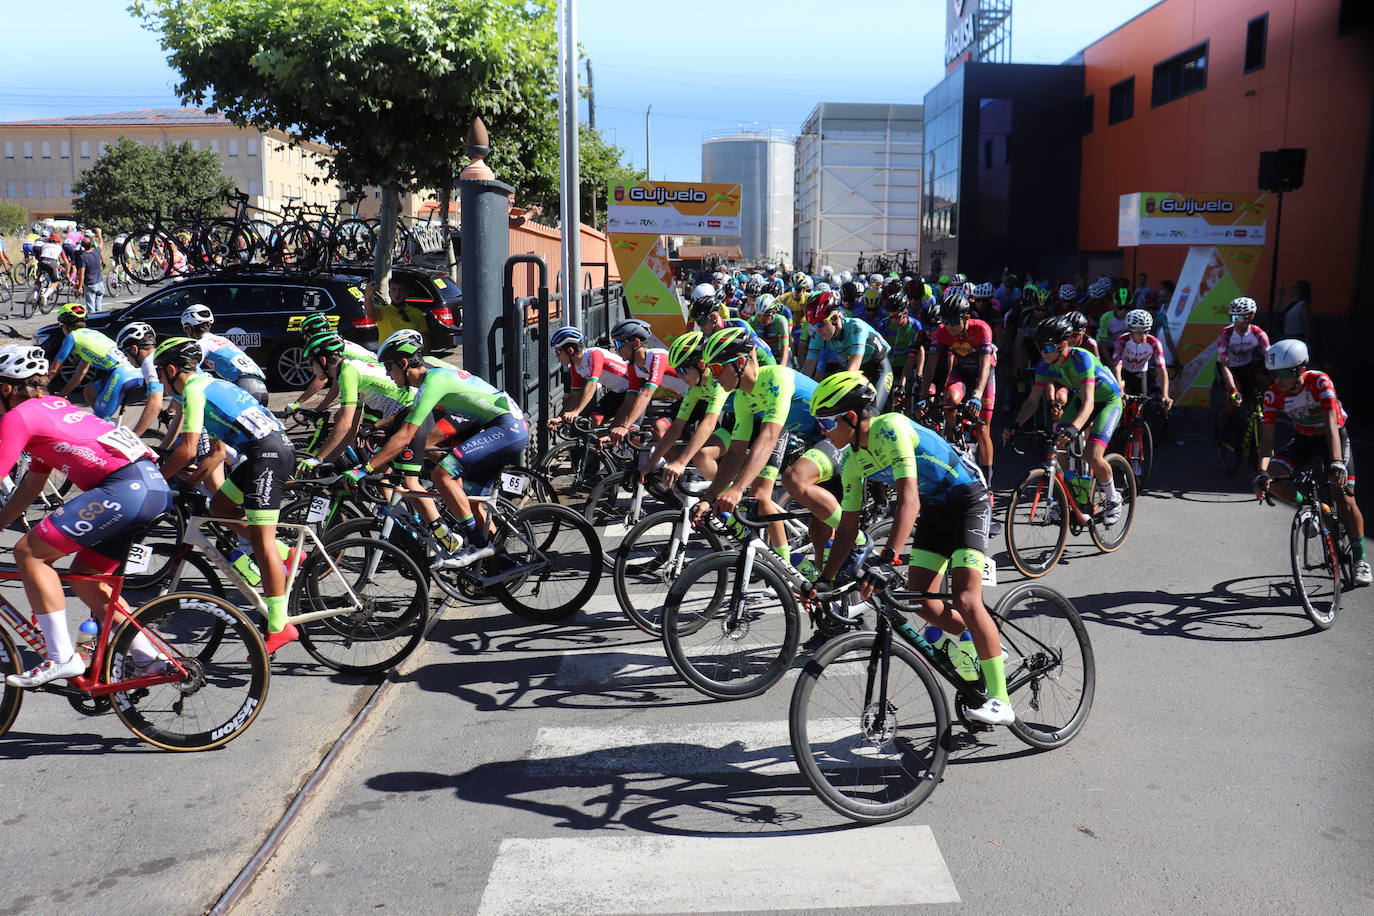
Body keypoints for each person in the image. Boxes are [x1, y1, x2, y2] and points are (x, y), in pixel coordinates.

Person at [806, 370, 1013, 725]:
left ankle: (1001, 700)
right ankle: (977, 640)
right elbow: (848, 527)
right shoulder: (853, 461)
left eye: (827, 421)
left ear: (852, 417)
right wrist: (825, 580)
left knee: (965, 598)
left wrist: (887, 559)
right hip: (937, 509)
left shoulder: (892, 428)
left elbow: (908, 500)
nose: (822, 431)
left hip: (969, 501)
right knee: (923, 603)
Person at [0, 345, 172, 688]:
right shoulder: (56, 408)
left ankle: (62, 656)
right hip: (151, 486)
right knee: (84, 577)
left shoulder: (18, 416)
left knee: (29, 553)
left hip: (124, 488)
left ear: (6, 388)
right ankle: (150, 659)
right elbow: (31, 486)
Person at [155, 337, 299, 653]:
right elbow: (217, 452)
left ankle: (279, 624)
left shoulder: (193, 391)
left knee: (261, 542)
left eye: (160, 376)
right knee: (219, 506)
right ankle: (286, 553)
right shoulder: (211, 384)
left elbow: (188, 449)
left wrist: (155, 479)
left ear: (170, 369)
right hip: (264, 451)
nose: (162, 385)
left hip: (267, 455)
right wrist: (191, 479)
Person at [357, 332, 529, 569]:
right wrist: (377, 427)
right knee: (473, 502)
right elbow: (409, 413)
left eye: (389, 366)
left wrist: (365, 468)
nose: (387, 374)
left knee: (441, 474)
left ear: (404, 364)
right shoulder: (429, 382)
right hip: (501, 426)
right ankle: (502, 563)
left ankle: (478, 546)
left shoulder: (434, 381)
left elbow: (406, 434)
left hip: (505, 427)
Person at [691, 325, 819, 555]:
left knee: (762, 496)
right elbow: (736, 452)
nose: (714, 376)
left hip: (830, 438)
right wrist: (710, 497)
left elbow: (769, 435)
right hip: (802, 438)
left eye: (718, 368)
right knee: (761, 498)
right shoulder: (742, 397)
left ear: (740, 363)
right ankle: (786, 569)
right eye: (710, 368)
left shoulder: (775, 377)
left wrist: (738, 489)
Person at [1254, 339, 1369, 586]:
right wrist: (1262, 472)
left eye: (1283, 374)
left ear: (1300, 370)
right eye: (1273, 374)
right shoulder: (1274, 394)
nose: (1277, 380)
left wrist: (1336, 462)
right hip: (1304, 439)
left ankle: (1361, 558)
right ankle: (1313, 510)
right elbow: (1268, 437)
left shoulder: (1320, 382)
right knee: (1272, 480)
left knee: (1344, 496)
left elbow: (1330, 424)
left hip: (1333, 436)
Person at [1005, 316, 1126, 524]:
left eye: (1047, 347)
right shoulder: (1045, 364)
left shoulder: (1082, 359)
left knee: (1093, 454)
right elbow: (1033, 400)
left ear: (1062, 345)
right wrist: (1015, 425)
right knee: (1058, 445)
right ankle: (1072, 498)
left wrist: (1074, 428)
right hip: (1082, 401)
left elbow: (1089, 402)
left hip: (1107, 401)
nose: (1042, 352)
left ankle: (1114, 499)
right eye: (1039, 347)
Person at [920, 288, 996, 487]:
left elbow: (985, 366)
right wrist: (922, 396)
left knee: (982, 429)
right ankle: (953, 438)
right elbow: (931, 365)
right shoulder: (941, 331)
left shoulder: (981, 329)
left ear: (966, 318)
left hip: (983, 374)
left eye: (955, 321)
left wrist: (977, 395)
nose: (950, 327)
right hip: (961, 371)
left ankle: (987, 483)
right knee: (950, 400)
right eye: (947, 321)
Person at [643, 331, 731, 486]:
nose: (680, 377)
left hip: (756, 420)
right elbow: (676, 426)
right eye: (677, 371)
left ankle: (730, 497)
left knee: (703, 456)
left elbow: (709, 423)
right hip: (733, 420)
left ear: (701, 365)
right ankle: (722, 498)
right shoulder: (694, 389)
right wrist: (650, 464)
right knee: (702, 456)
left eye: (683, 370)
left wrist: (681, 462)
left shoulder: (717, 380)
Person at [48, 303, 147, 421]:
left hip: (120, 374)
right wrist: (62, 395)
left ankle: (105, 424)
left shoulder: (72, 337)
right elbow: (81, 372)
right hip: (136, 371)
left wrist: (39, 389)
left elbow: (54, 368)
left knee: (100, 421)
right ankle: (106, 420)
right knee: (89, 392)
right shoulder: (93, 334)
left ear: (64, 326)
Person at [801, 291, 893, 410]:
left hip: (879, 367)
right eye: (813, 325)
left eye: (819, 324)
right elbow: (807, 370)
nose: (817, 329)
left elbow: (852, 371)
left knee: (871, 412)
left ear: (834, 318)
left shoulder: (856, 328)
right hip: (858, 369)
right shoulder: (820, 334)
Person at [605, 317, 687, 446]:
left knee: (658, 428)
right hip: (687, 398)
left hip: (701, 396)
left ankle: (676, 463)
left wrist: (625, 426)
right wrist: (614, 429)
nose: (617, 349)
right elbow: (629, 400)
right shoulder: (633, 365)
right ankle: (665, 463)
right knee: (653, 430)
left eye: (619, 344)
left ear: (636, 343)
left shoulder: (657, 356)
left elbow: (647, 394)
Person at [179, 304, 270, 405]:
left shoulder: (200, 344)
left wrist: (171, 410)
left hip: (243, 385)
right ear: (209, 325)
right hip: (261, 386)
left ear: (190, 328)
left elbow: (189, 373)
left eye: (186, 329)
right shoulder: (223, 340)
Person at [550, 325, 633, 427]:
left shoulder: (594, 354)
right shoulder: (575, 366)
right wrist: (560, 417)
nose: (557, 356)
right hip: (618, 393)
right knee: (596, 419)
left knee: (622, 429)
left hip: (634, 390)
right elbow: (574, 396)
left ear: (570, 350)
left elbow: (592, 384)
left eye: (558, 351)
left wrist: (576, 411)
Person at [1216, 296, 1270, 419]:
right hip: (1227, 368)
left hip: (1246, 366)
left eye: (1239, 317)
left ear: (1250, 317)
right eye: (1232, 317)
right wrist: (1233, 390)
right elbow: (1225, 365)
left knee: (1255, 394)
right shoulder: (1226, 334)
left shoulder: (1258, 333)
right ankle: (1227, 427)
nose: (1236, 321)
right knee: (1235, 396)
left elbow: (1268, 354)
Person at [1110, 310, 1172, 407]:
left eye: (1146, 331)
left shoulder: (1154, 343)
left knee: (1140, 406)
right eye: (1139, 332)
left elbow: (1162, 369)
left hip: (1140, 373)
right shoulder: (1122, 340)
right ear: (1130, 330)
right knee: (1119, 402)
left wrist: (1165, 395)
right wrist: (1120, 390)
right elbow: (1117, 366)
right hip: (1123, 373)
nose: (1143, 335)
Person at [114, 322, 166, 436]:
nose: (127, 359)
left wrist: (133, 437)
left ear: (134, 349)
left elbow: (155, 404)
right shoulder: (161, 356)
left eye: (125, 353)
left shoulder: (149, 363)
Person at [74, 233, 104, 311]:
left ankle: (93, 321)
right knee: (99, 307)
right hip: (100, 282)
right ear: (92, 244)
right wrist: (99, 234)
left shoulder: (83, 257)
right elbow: (101, 243)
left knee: (91, 308)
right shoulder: (97, 251)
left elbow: (82, 273)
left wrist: (80, 286)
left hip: (90, 284)